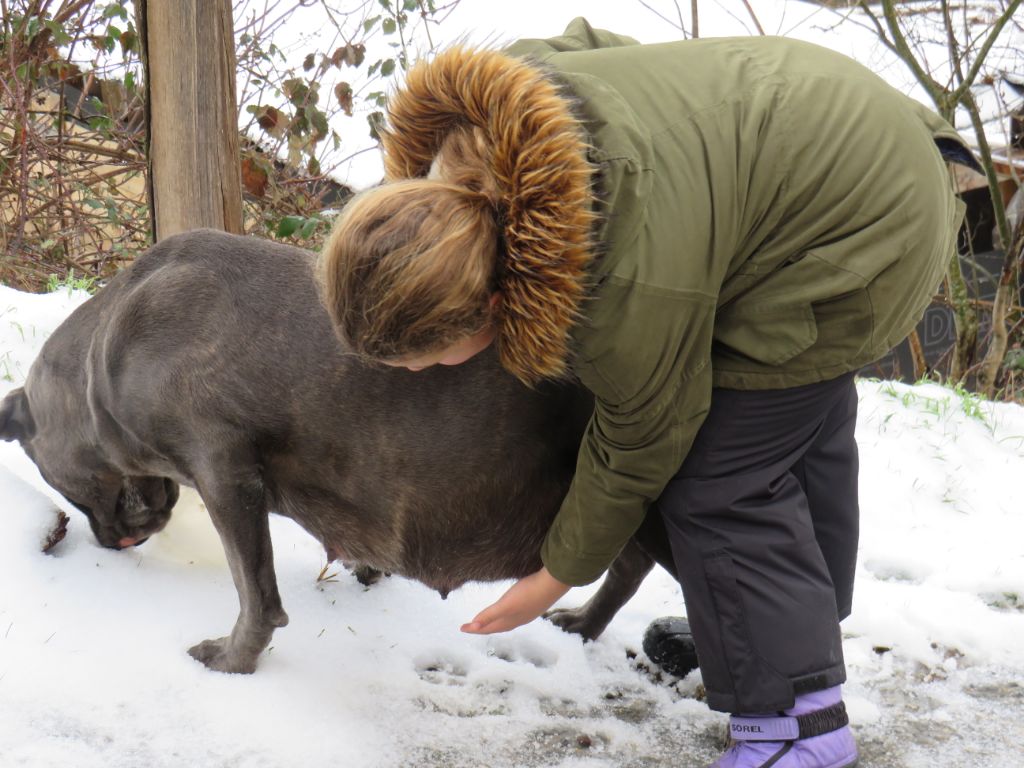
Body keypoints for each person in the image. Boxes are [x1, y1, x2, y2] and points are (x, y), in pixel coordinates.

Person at [317, 18, 973, 768]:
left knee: (717, 475)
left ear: (492, 306)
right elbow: (591, 43)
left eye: (427, 359)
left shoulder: (619, 284)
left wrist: (556, 574)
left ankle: (799, 725)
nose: (417, 375)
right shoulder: (494, 114)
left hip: (865, 225)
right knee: (794, 427)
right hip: (838, 125)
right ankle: (780, 635)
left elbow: (642, 439)